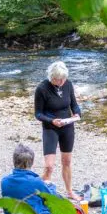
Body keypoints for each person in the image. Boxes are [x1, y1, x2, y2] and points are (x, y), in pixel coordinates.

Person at [34, 61, 81, 200]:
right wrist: (51, 121)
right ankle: (37, 191)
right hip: (50, 128)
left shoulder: (68, 84)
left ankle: (69, 191)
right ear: (51, 77)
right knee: (49, 166)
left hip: (67, 126)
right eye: (57, 79)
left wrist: (77, 114)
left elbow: (74, 105)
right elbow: (38, 114)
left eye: (62, 79)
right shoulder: (42, 88)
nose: (60, 82)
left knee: (66, 162)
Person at [0, 144, 57, 214]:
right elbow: (51, 198)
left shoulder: (4, 181)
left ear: (14, 161)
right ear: (32, 162)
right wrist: (51, 185)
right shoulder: (36, 182)